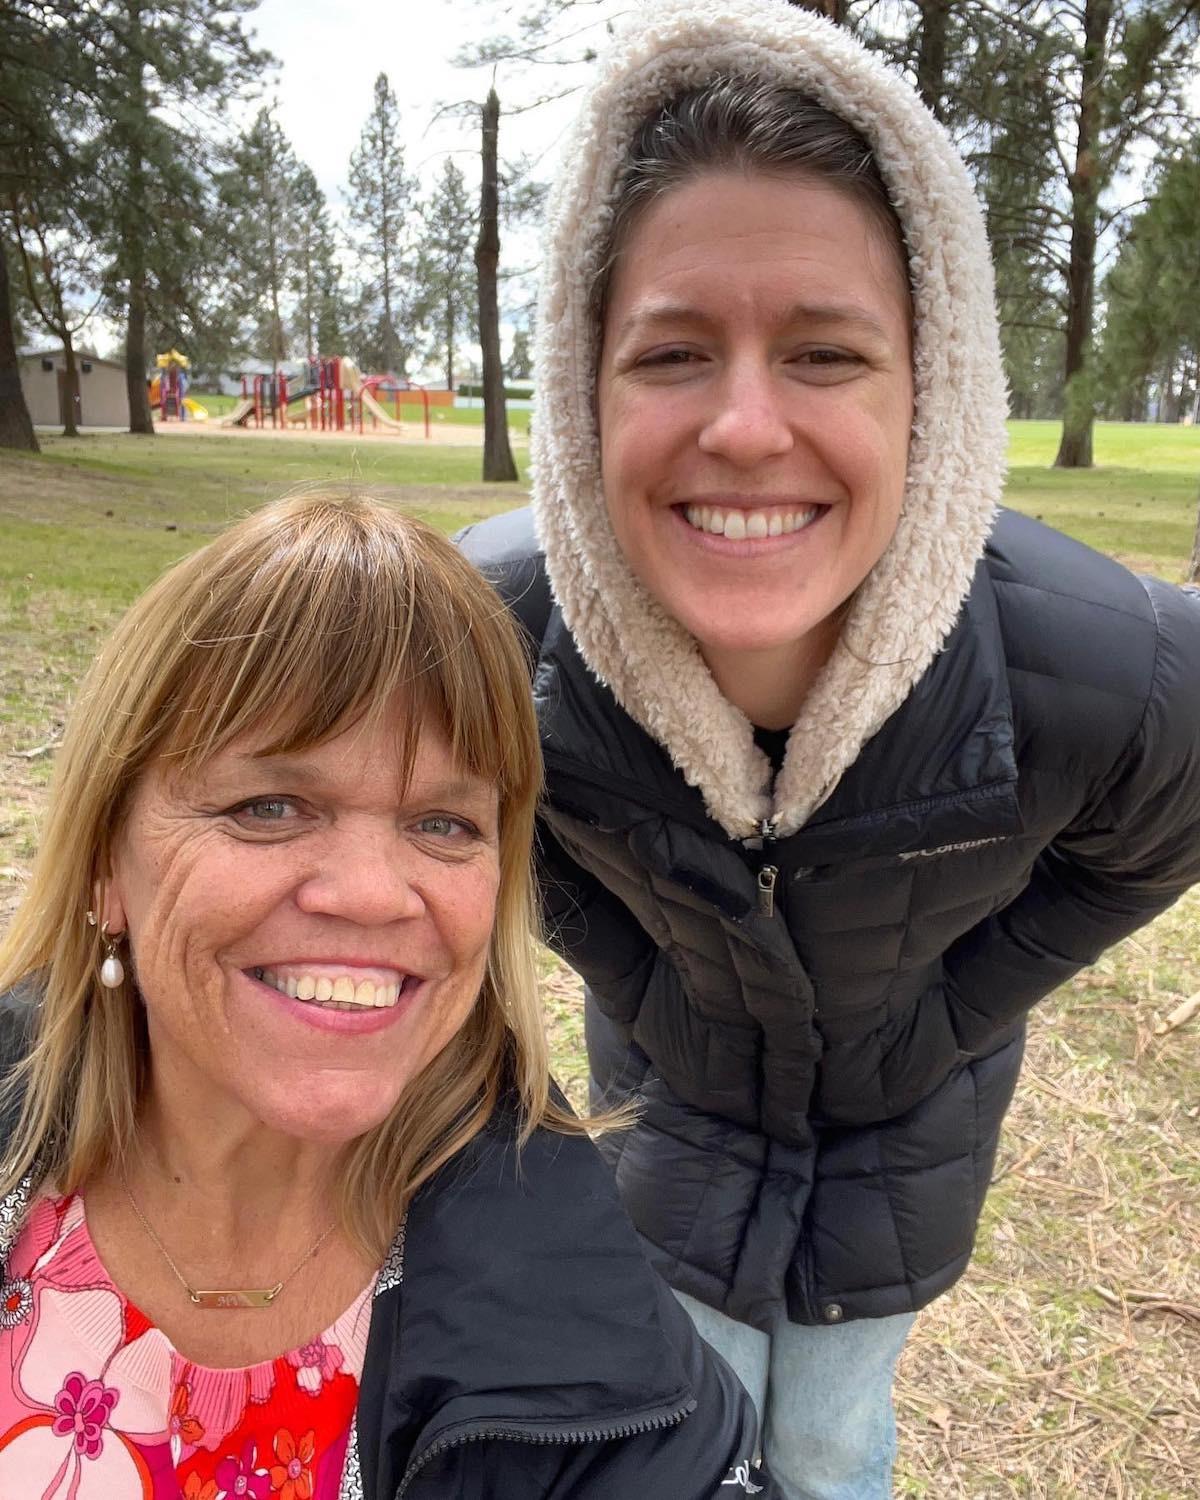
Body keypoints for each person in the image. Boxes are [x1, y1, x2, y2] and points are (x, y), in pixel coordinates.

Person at [457, 1, 1200, 1495]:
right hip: (669, 1123)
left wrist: (951, 1015)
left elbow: (1155, 838)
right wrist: (641, 981)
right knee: (689, 1418)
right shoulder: (485, 636)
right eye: (672, 352)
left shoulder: (1114, 667)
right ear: (578, 389)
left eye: (824, 352)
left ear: (931, 395)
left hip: (902, 1159)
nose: (744, 424)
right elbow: (478, 820)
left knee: (832, 1436)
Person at [0, 493, 774, 1499]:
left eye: (445, 825)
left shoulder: (592, 1342)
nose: (371, 893)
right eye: (269, 806)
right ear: (108, 866)